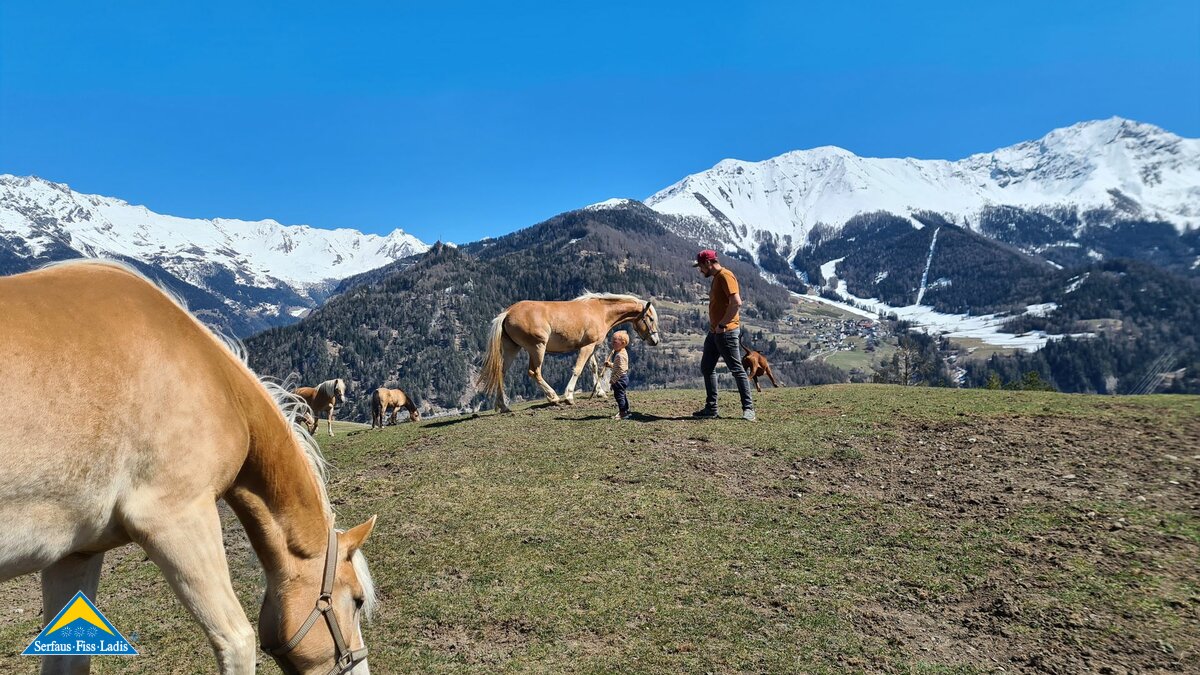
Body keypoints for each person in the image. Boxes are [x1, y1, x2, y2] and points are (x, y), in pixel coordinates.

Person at [691, 249, 756, 421]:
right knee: (707, 367)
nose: (700, 270)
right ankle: (711, 408)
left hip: (725, 332)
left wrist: (722, 324)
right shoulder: (717, 278)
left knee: (737, 369)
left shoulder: (725, 276)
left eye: (701, 267)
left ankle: (748, 409)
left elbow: (736, 303)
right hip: (715, 333)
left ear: (708, 263)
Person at [602, 331, 632, 419]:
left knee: (619, 396)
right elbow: (618, 366)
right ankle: (626, 410)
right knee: (622, 394)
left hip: (620, 379)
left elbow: (621, 369)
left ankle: (623, 413)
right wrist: (610, 365)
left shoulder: (620, 356)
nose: (612, 344)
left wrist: (613, 380)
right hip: (623, 378)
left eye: (615, 342)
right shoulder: (622, 352)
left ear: (623, 343)